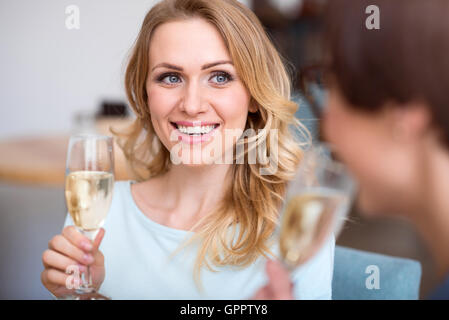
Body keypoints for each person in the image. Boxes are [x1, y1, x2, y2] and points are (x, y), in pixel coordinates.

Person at [41, 0, 334, 300]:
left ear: (254, 96)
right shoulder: (99, 212)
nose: (192, 105)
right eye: (171, 77)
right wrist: (87, 296)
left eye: (220, 77)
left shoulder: (298, 226)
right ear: (145, 96)